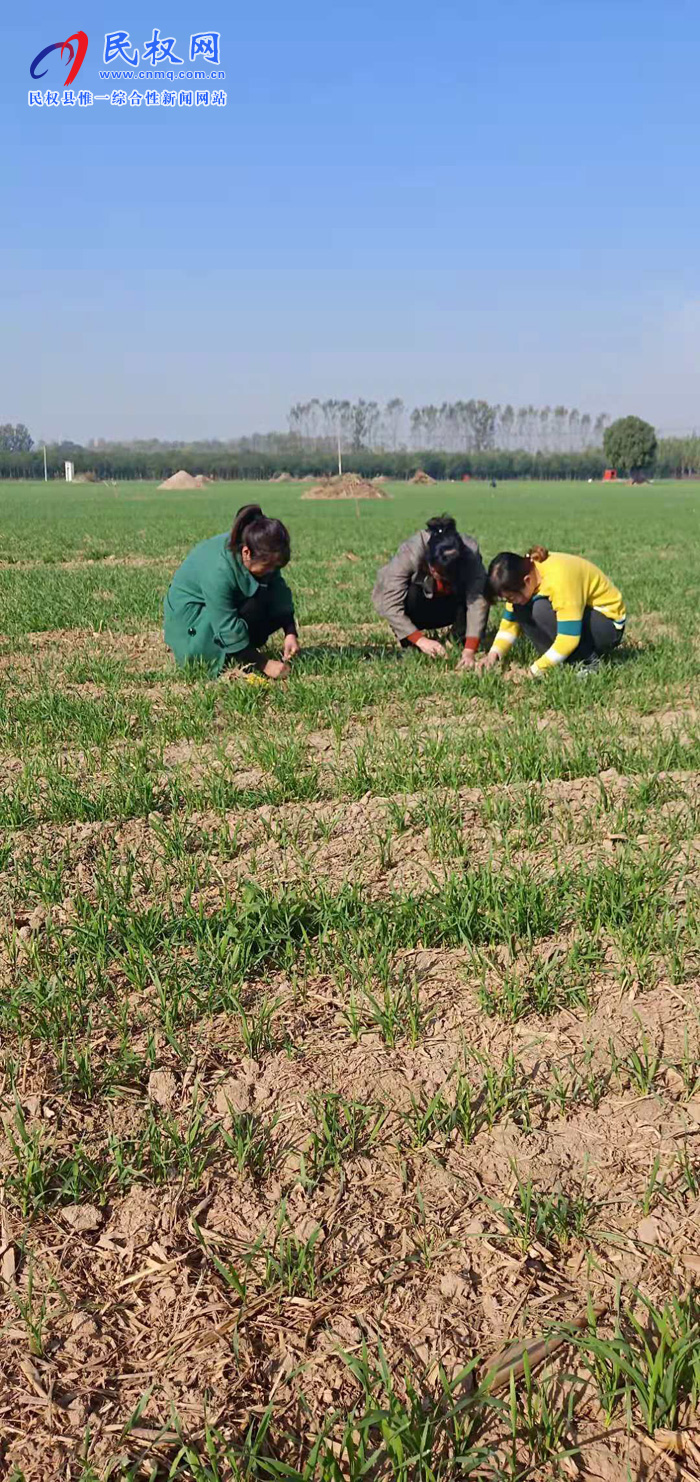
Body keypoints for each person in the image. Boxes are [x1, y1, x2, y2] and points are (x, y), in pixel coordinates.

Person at [164, 504, 299, 679]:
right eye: (268, 567)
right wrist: (264, 664)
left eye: (276, 567)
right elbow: (226, 625)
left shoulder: (260, 551)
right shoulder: (219, 570)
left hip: (216, 610)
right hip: (191, 623)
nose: (272, 571)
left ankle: (241, 650)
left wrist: (290, 633)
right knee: (252, 609)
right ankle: (230, 654)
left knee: (265, 596)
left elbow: (278, 592)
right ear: (246, 553)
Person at [479, 545, 626, 677]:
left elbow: (569, 638)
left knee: (539, 610)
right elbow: (510, 624)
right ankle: (561, 663)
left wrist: (532, 672)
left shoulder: (560, 579)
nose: (510, 602)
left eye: (511, 597)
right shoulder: (524, 573)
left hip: (609, 626)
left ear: (527, 580)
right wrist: (494, 654)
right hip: (583, 618)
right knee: (522, 608)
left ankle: (591, 662)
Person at [372, 515, 489, 668]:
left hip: (450, 606)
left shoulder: (470, 553)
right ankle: (411, 642)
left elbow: (478, 600)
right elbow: (390, 604)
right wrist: (421, 640)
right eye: (441, 574)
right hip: (419, 605)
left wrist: (469, 650)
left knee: (477, 590)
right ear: (431, 567)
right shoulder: (411, 552)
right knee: (409, 594)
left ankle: (457, 639)